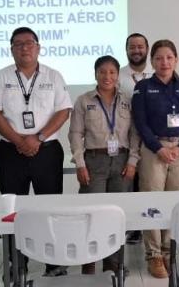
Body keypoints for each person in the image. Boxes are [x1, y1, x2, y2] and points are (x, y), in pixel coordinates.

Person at [0, 26, 73, 277]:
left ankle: (53, 262)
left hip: (46, 150)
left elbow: (63, 111)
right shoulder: (0, 77)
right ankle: (18, 262)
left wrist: (37, 138)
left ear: (38, 47)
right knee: (14, 210)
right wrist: (18, 140)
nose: (24, 47)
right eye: (18, 44)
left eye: (29, 43)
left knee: (48, 208)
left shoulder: (53, 76)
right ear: (11, 49)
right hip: (10, 151)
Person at [132, 39, 179, 279]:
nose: (164, 62)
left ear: (176, 59)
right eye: (159, 58)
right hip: (153, 149)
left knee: (174, 200)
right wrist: (158, 148)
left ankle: (170, 250)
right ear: (152, 61)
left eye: (169, 57)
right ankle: (154, 254)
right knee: (152, 201)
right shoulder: (144, 88)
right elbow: (141, 122)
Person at [68, 55, 140, 275]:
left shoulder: (128, 99)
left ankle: (113, 263)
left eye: (112, 72)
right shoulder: (84, 100)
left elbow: (135, 134)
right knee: (91, 213)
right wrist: (80, 164)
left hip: (121, 161)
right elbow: (75, 133)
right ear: (95, 74)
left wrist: (133, 161)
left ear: (118, 75)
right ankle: (88, 263)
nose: (107, 76)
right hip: (93, 161)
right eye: (102, 72)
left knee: (116, 215)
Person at [117, 32, 153, 244]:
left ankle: (146, 225)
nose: (137, 50)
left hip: (151, 138)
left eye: (140, 46)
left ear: (147, 49)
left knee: (147, 182)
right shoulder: (117, 75)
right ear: (126, 50)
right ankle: (132, 227)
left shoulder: (158, 72)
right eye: (132, 47)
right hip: (125, 136)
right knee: (128, 181)